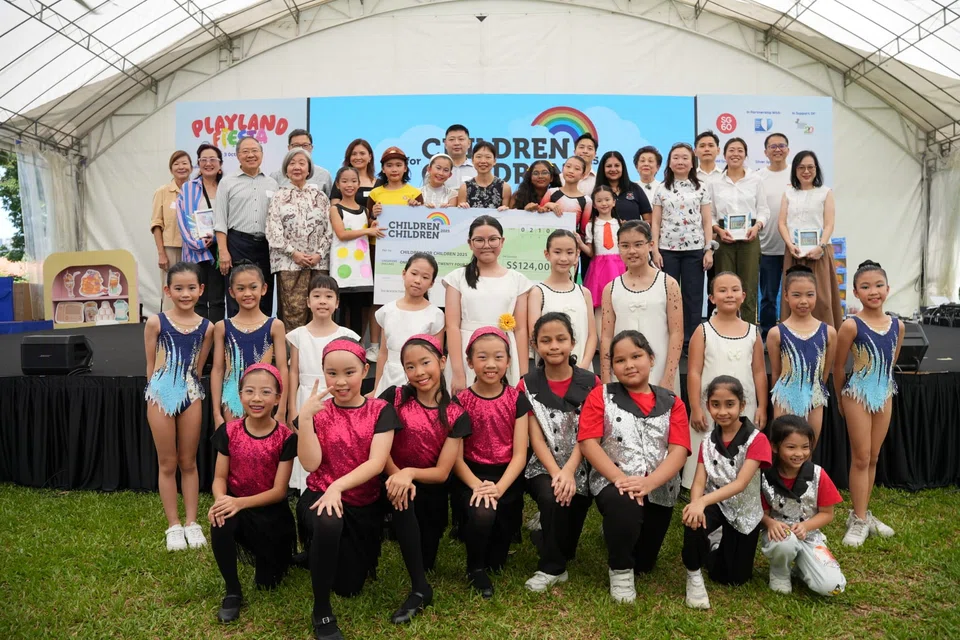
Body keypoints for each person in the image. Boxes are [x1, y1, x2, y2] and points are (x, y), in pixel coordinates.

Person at [297, 338, 400, 640]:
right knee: (328, 519)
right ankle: (321, 611)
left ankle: (318, 555)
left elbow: (377, 463)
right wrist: (305, 419)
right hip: (320, 495)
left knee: (350, 587)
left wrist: (338, 487)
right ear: (324, 373)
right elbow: (311, 464)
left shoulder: (380, 410)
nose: (340, 382)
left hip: (362, 504)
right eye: (332, 373)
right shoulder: (318, 411)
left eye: (349, 372)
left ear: (364, 370)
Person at [578, 330, 690, 603]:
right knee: (624, 507)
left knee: (645, 564)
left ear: (651, 359)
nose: (629, 365)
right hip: (615, 482)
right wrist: (620, 479)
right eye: (620, 360)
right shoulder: (600, 395)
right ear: (612, 366)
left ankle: (618, 532)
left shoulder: (672, 402)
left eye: (636, 356)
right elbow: (589, 443)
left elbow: (678, 451)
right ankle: (619, 570)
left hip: (658, 487)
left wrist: (649, 483)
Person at [379, 334, 472, 624]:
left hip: (430, 488)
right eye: (410, 366)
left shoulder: (456, 413)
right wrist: (397, 476)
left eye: (425, 363)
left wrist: (409, 474)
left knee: (427, 556)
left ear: (442, 362)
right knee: (403, 502)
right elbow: (378, 448)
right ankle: (420, 590)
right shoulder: (394, 398)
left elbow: (443, 471)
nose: (419, 372)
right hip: (390, 480)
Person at [209, 364, 297, 623]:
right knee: (220, 519)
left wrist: (238, 502)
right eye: (249, 391)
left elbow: (279, 492)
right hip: (238, 510)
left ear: (277, 398)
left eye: (265, 392)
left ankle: (282, 558)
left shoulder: (285, 437)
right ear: (240, 395)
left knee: (267, 583)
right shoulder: (229, 431)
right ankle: (233, 591)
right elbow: (219, 478)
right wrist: (222, 501)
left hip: (272, 518)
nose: (256, 398)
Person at [519, 313, 599, 592]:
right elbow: (535, 436)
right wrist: (556, 472)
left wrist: (569, 471)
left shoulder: (591, 382)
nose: (554, 346)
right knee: (554, 497)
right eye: (546, 340)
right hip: (542, 466)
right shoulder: (527, 384)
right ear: (535, 346)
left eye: (561, 339)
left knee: (568, 544)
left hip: (582, 463)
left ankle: (546, 536)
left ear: (573, 342)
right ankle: (551, 569)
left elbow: (589, 435)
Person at [681, 375, 772, 610]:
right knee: (693, 521)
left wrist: (702, 502)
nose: (722, 411)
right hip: (715, 504)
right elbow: (699, 480)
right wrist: (696, 505)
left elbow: (741, 483)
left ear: (742, 405)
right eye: (715, 405)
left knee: (733, 578)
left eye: (729, 404)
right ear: (708, 405)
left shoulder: (757, 439)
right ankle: (693, 575)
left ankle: (714, 543)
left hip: (744, 511)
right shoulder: (707, 441)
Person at [452, 327, 530, 598]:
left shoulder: (516, 399)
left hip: (506, 476)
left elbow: (520, 454)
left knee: (497, 561)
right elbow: (455, 456)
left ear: (508, 361)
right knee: (483, 512)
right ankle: (474, 568)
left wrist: (499, 487)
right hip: (470, 474)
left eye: (498, 357)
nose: (491, 364)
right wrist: (477, 486)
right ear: (470, 362)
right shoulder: (460, 401)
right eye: (482, 357)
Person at [143, 262, 214, 551]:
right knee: (167, 462)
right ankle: (173, 524)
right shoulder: (156, 323)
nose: (185, 294)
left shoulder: (207, 328)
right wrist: (155, 393)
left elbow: (198, 367)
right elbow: (150, 364)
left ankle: (191, 522)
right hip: (161, 393)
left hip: (190, 394)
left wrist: (188, 390)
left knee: (188, 461)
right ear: (167, 290)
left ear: (201, 290)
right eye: (178, 288)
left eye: (191, 288)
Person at [834, 260, 903, 547]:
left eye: (878, 285)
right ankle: (859, 519)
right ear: (855, 292)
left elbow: (892, 361)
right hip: (857, 395)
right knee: (861, 457)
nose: (873, 291)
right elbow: (838, 367)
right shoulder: (851, 325)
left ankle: (862, 512)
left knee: (873, 457)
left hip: (883, 393)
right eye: (865, 287)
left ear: (888, 288)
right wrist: (840, 399)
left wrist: (882, 388)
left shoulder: (898, 325)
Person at [684, 272, 768, 489]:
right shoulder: (703, 331)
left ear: (743, 295)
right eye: (722, 290)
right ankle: (701, 486)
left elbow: (759, 372)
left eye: (734, 290)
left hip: (744, 403)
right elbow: (694, 371)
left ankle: (740, 484)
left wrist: (762, 406)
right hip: (710, 405)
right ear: (711, 298)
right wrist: (695, 407)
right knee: (708, 441)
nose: (729, 295)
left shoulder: (752, 332)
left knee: (741, 442)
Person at [286, 274, 360, 493]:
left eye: (328, 296)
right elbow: (293, 372)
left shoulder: (347, 335)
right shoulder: (298, 335)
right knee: (308, 437)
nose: (322, 301)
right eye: (316, 296)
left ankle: (337, 479)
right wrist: (292, 407)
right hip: (306, 395)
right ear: (308, 301)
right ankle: (305, 485)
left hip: (336, 395)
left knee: (334, 438)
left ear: (337, 303)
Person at [443, 215, 531, 394]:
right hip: (467, 352)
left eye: (492, 239)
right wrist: (458, 373)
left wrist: (523, 375)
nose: (486, 245)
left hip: (503, 351)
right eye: (479, 240)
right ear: (470, 243)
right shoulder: (456, 278)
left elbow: (521, 330)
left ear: (502, 241)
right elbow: (452, 326)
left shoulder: (518, 280)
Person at [760, 415, 846, 596]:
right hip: (779, 535)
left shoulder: (818, 474)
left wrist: (806, 526)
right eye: (791, 447)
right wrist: (770, 523)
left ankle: (801, 568)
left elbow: (827, 514)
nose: (799, 453)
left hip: (810, 536)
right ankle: (780, 571)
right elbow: (761, 513)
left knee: (833, 588)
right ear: (775, 447)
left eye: (805, 447)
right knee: (785, 543)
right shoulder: (765, 476)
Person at [601, 220, 683, 392]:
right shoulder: (611, 289)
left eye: (638, 244)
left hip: (660, 372)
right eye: (625, 245)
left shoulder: (669, 284)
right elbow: (607, 336)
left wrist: (668, 377)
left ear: (651, 245)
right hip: (623, 374)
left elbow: (676, 333)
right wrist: (606, 377)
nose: (632, 251)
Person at [651, 142, 714, 346]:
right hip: (667, 251)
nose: (680, 161)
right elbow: (656, 222)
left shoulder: (701, 187)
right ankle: (668, 338)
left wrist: (708, 250)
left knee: (693, 297)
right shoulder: (661, 189)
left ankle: (691, 341)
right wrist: (654, 250)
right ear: (669, 163)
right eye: (676, 157)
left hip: (694, 251)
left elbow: (707, 221)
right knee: (667, 296)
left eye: (685, 157)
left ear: (692, 162)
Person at [211, 263, 288, 427]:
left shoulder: (275, 326)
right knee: (234, 447)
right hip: (232, 397)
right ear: (231, 292)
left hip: (265, 397)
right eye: (240, 289)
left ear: (264, 288)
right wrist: (216, 412)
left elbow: (282, 369)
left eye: (253, 287)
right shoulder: (222, 327)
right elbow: (218, 369)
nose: (247, 293)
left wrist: (281, 410)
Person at [768, 265, 838, 444]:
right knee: (785, 447)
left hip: (814, 397)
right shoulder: (776, 333)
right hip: (785, 397)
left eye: (809, 294)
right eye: (796, 295)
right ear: (785, 296)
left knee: (808, 449)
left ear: (817, 294)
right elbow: (776, 373)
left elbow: (824, 373)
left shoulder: (828, 332)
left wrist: (814, 391)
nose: (803, 301)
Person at [266, 148, 333, 332]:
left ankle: (319, 354)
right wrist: (293, 253)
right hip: (289, 263)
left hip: (318, 263)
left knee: (320, 309)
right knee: (292, 311)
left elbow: (330, 228)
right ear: (286, 169)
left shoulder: (320, 196)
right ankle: (292, 356)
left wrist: (320, 254)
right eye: (292, 163)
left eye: (302, 163)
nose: (297, 167)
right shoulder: (278, 196)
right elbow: (273, 230)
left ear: (309, 169)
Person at [367, 147, 424, 361]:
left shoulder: (414, 193)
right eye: (389, 165)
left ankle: (407, 341)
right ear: (382, 168)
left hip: (407, 252)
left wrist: (417, 209)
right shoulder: (375, 193)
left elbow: (424, 224)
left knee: (407, 295)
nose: (394, 169)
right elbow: (367, 223)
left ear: (406, 167)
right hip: (378, 249)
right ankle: (374, 345)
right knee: (379, 297)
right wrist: (373, 216)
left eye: (398, 165)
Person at [214, 137, 279, 317]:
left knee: (264, 293)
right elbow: (220, 221)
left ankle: (264, 341)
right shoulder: (227, 182)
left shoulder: (272, 183)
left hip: (266, 246)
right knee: (238, 292)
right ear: (237, 156)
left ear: (262, 154)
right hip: (237, 244)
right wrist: (223, 251)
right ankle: (237, 342)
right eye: (245, 151)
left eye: (255, 151)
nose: (251, 155)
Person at [778, 150, 843, 329]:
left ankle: (826, 340)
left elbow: (829, 224)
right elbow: (782, 223)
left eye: (810, 167)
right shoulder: (788, 193)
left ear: (816, 169)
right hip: (794, 253)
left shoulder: (825, 192)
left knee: (822, 298)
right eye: (801, 168)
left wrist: (821, 246)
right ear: (795, 170)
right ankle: (792, 337)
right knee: (794, 296)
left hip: (819, 253)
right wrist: (790, 245)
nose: (806, 171)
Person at [710, 138, 769, 324]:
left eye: (740, 150)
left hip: (749, 236)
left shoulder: (756, 179)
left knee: (748, 286)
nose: (735, 154)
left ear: (745, 154)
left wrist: (757, 226)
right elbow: (709, 213)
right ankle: (724, 329)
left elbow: (763, 209)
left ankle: (749, 331)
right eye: (731, 150)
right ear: (724, 154)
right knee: (724, 285)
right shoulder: (714, 181)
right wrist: (718, 230)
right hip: (723, 237)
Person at [372, 253, 445, 396]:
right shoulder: (387, 311)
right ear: (404, 273)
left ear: (431, 283)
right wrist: (376, 388)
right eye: (414, 273)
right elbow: (383, 353)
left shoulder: (435, 315)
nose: (418, 281)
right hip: (389, 380)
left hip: (419, 383)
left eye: (425, 277)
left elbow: (436, 358)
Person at [527, 229, 596, 370]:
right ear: (547, 254)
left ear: (577, 255)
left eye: (570, 252)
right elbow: (535, 337)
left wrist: (583, 367)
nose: (564, 258)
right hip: (550, 371)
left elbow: (592, 335)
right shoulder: (538, 292)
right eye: (557, 252)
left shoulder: (584, 293)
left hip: (583, 372)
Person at [177, 142, 226, 321]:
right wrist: (197, 243)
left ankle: (217, 344)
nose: (208, 163)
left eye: (212, 159)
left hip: (220, 250)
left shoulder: (226, 187)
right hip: (195, 251)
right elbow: (181, 221)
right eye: (203, 159)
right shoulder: (188, 188)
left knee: (217, 300)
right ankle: (200, 342)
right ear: (198, 163)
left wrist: (216, 240)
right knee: (196, 298)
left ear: (220, 164)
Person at [330, 167, 380, 341]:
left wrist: (371, 228)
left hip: (361, 273)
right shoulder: (335, 209)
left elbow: (371, 229)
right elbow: (342, 234)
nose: (349, 185)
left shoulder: (365, 211)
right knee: (341, 314)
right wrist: (367, 231)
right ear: (337, 184)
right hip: (342, 272)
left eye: (353, 181)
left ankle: (357, 349)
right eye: (344, 181)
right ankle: (340, 347)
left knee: (358, 313)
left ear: (359, 184)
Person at [757, 133, 792, 340]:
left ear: (787, 149)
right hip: (767, 247)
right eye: (772, 146)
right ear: (765, 152)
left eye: (781, 145)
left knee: (794, 293)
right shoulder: (758, 176)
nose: (777, 149)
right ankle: (768, 335)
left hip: (793, 247)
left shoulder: (796, 174)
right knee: (768, 296)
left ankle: (792, 332)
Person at [580, 185, 626, 330]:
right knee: (600, 307)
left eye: (607, 199)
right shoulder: (590, 226)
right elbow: (591, 252)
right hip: (599, 270)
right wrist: (579, 243)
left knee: (620, 305)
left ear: (614, 202)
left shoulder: (621, 224)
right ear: (594, 204)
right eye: (599, 201)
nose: (604, 203)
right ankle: (601, 345)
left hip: (619, 267)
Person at [151, 150, 192, 302]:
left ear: (191, 167)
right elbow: (156, 224)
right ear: (171, 169)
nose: (181, 167)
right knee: (172, 289)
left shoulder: (196, 189)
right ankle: (169, 323)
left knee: (192, 287)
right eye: (176, 164)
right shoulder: (162, 192)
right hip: (171, 249)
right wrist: (161, 253)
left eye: (184, 163)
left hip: (194, 249)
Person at [270, 129, 333, 196]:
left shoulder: (324, 175)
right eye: (296, 145)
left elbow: (330, 203)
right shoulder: (275, 176)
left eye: (305, 145)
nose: (301, 149)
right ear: (289, 148)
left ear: (311, 147)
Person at [595, 150, 651, 222]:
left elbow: (649, 219)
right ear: (603, 169)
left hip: (634, 232)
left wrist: (631, 226)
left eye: (617, 165)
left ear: (623, 167)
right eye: (609, 166)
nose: (613, 169)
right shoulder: (598, 191)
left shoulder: (635, 188)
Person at [457, 141, 511, 210]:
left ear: (494, 161)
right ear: (473, 160)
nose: (483, 161)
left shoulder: (504, 188)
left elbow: (508, 216)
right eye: (478, 157)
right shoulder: (465, 188)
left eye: (488, 157)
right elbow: (459, 216)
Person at [330, 139, 378, 208]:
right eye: (354, 154)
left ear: (370, 157)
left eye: (362, 153)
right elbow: (334, 208)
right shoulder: (340, 181)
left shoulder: (379, 183)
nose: (358, 157)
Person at [443, 124, 477, 188]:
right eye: (452, 139)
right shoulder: (436, 170)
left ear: (469, 143)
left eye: (461, 139)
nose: (456, 143)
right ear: (445, 144)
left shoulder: (477, 169)